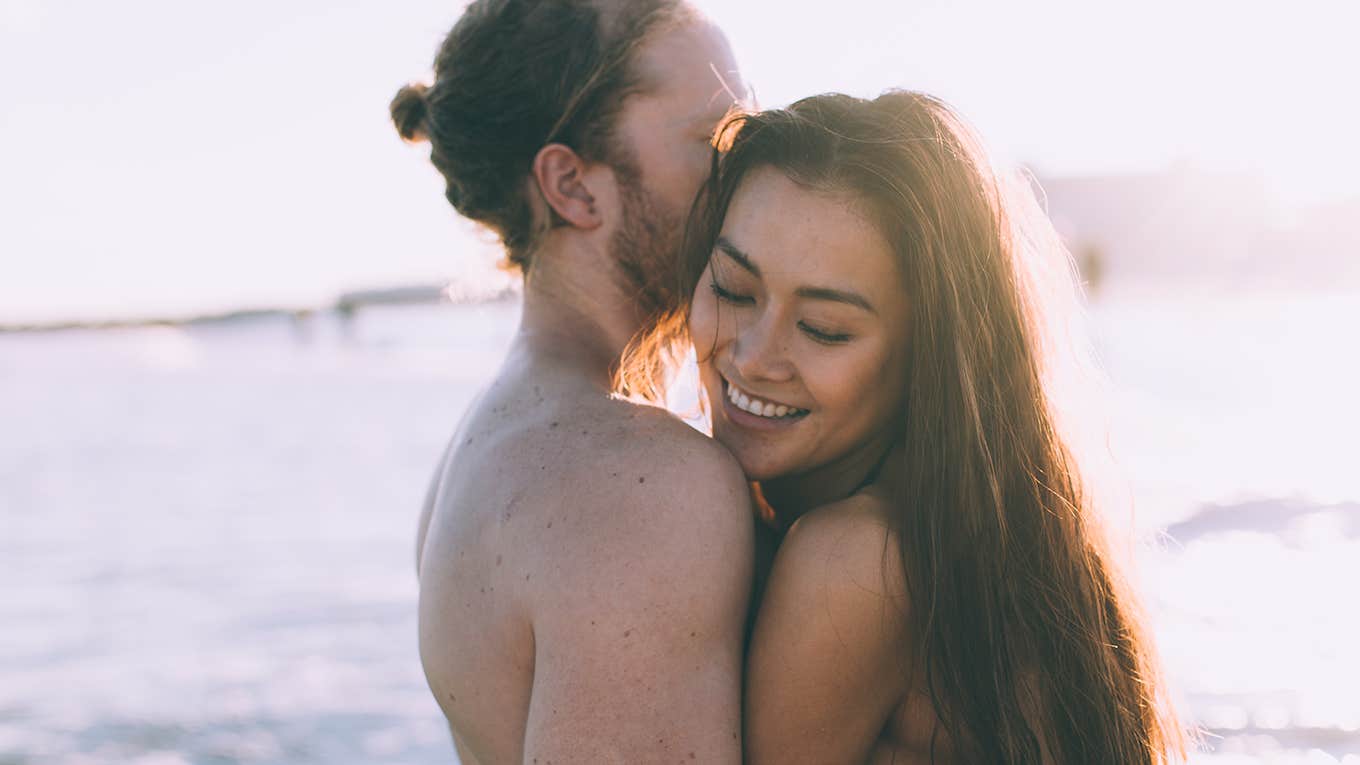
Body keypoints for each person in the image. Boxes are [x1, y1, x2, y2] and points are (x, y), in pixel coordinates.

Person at [624, 92, 1187, 763]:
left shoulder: (856, 563)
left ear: (928, 353)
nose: (752, 355)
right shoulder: (987, 529)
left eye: (823, 329)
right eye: (733, 290)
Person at [392, 2, 751, 762]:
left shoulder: (482, 444)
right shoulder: (639, 485)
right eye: (719, 145)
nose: (754, 183)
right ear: (573, 186)